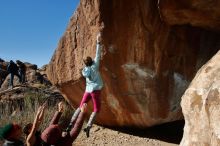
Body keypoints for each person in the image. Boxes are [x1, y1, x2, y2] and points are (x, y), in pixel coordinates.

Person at [69, 32, 104, 138]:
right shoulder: (95, 65)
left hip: (88, 90)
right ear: (91, 61)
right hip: (95, 90)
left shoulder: (85, 70)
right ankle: (88, 126)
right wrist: (98, 42)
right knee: (96, 109)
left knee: (80, 106)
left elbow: (85, 69)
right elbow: (98, 54)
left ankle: (70, 123)